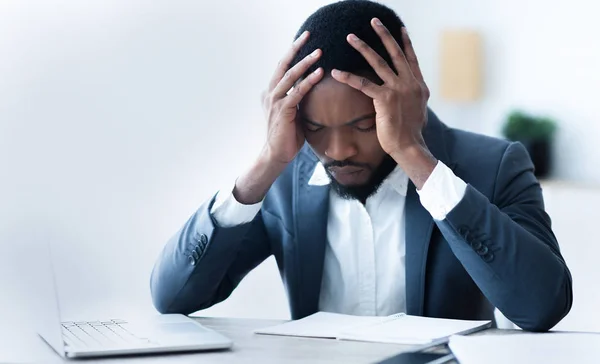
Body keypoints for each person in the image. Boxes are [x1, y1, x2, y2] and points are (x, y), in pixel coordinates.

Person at [150, 0, 572, 332]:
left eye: (364, 125)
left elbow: (541, 307)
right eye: (315, 127)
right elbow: (173, 298)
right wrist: (266, 161)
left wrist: (414, 155)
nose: (337, 150)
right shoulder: (283, 180)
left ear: (408, 101)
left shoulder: (495, 165)